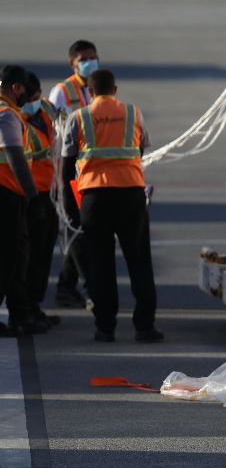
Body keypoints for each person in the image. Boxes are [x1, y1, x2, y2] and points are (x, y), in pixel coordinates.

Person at [62, 69, 163, 343]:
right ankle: (145, 326)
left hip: (94, 199)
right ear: (115, 90)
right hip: (130, 194)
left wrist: (71, 208)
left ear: (90, 92)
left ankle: (105, 327)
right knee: (139, 260)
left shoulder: (79, 117)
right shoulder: (133, 113)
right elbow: (140, 150)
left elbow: (67, 165)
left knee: (100, 265)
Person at [48, 39, 99, 309]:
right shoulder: (61, 92)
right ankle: (88, 287)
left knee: (79, 230)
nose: (90, 62)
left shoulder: (96, 88)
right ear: (73, 63)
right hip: (68, 169)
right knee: (77, 230)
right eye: (84, 59)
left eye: (93, 57)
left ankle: (66, 287)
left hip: (88, 169)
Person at [0, 65, 48, 336]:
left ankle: (21, 314)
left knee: (13, 257)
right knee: (9, 257)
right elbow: (14, 157)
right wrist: (32, 195)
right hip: (7, 194)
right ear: (16, 88)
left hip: (7, 193)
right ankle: (19, 314)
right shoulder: (6, 115)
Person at [22, 73, 62, 327]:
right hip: (25, 196)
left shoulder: (46, 109)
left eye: (37, 97)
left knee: (43, 252)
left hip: (47, 194)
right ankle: (24, 309)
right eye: (31, 99)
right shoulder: (11, 119)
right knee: (25, 257)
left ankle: (33, 305)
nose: (36, 102)